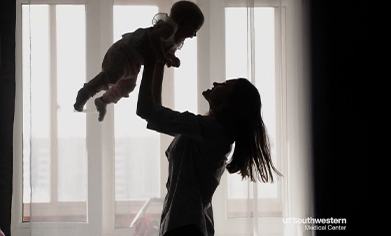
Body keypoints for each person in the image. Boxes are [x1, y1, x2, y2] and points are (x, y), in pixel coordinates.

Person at [136, 52, 282, 236]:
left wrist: (150, 57)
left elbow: (146, 110)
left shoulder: (211, 131)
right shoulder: (206, 132)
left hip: (185, 227)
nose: (215, 84)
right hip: (186, 224)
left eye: (224, 85)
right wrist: (157, 62)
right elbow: (156, 112)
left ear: (226, 103)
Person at [73, 0, 204, 121]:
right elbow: (154, 37)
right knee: (112, 76)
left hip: (134, 61)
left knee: (128, 86)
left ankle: (103, 101)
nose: (194, 35)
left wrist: (172, 58)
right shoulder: (168, 29)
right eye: (194, 30)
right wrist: (162, 57)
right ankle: (86, 92)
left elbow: (166, 52)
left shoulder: (175, 40)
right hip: (124, 52)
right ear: (182, 22)